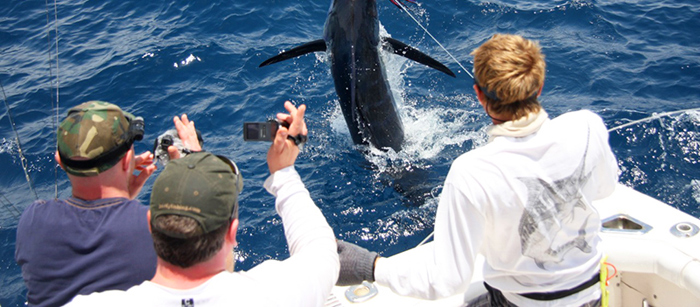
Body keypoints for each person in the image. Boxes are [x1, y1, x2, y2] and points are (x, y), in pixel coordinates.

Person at [337, 34, 620, 307]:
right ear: (540, 86)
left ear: (479, 95)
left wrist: (369, 266)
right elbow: (606, 189)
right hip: (593, 297)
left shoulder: (471, 171)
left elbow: (446, 281)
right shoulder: (587, 126)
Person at [66, 101, 340, 307]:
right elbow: (321, 249)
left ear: (150, 225)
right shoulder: (273, 296)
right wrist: (283, 172)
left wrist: (122, 194)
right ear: (232, 231)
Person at [15, 100, 201, 307]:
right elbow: (216, 274)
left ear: (60, 161)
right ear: (126, 159)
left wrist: (124, 199)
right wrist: (196, 162)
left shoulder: (32, 220)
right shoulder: (156, 229)